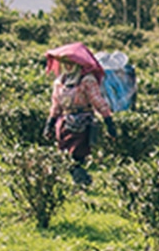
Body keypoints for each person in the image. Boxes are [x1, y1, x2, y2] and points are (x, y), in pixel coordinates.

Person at [44, 42, 116, 186]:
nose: (68, 66)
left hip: (83, 123)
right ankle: (83, 182)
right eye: (66, 63)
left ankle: (83, 182)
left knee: (77, 157)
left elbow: (98, 101)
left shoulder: (87, 80)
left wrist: (109, 122)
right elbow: (56, 105)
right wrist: (49, 124)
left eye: (72, 63)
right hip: (65, 124)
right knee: (66, 158)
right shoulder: (60, 82)